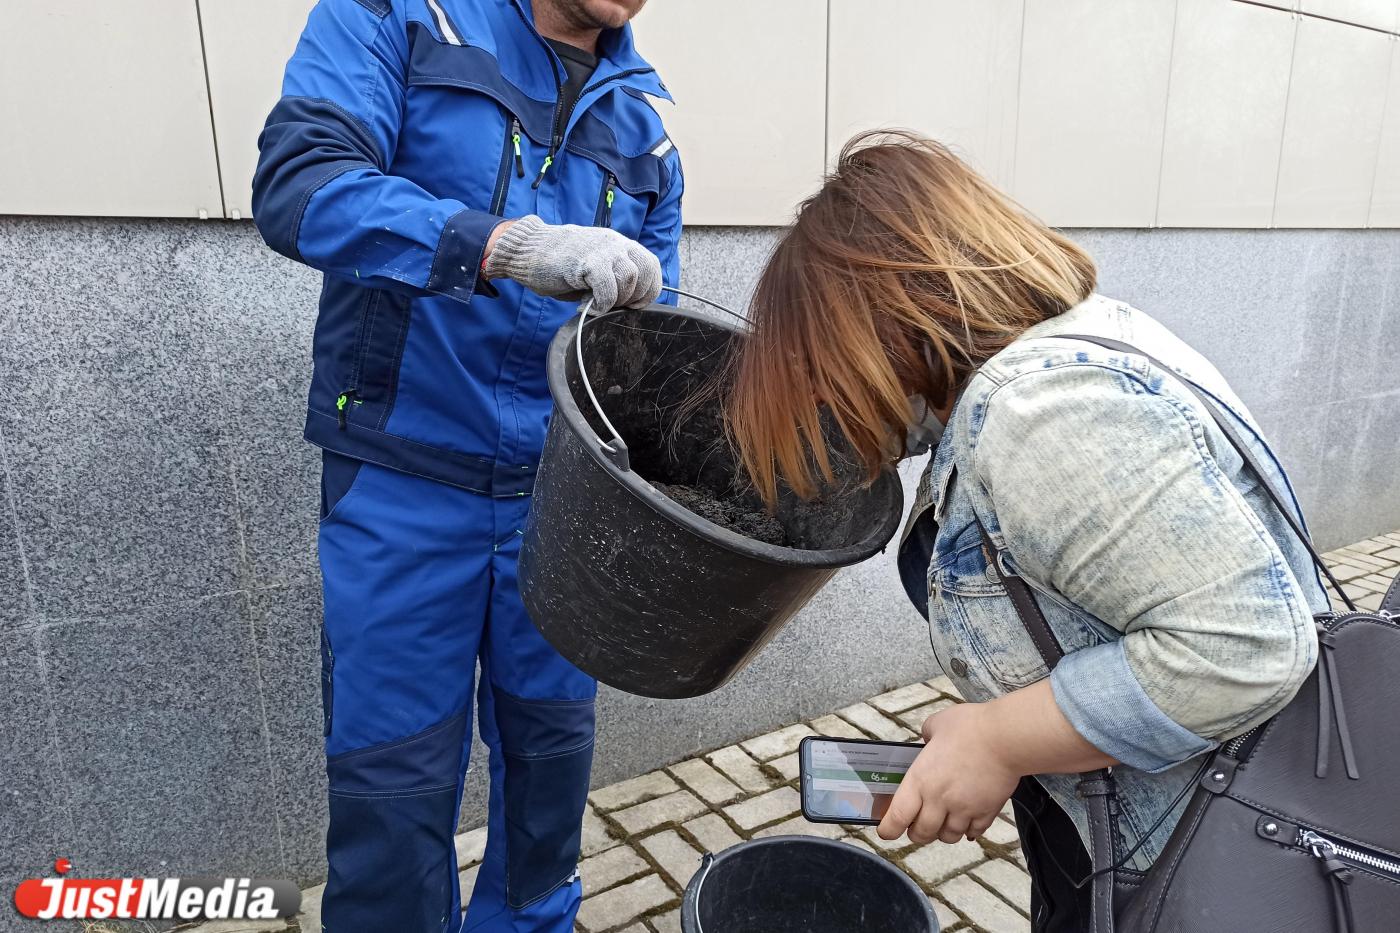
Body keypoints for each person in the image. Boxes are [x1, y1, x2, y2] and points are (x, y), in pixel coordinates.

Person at [724, 131, 1325, 931]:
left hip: (1195, 861)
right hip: (1152, 827)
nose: (830, 396)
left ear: (891, 318)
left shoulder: (1039, 412)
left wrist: (1000, 740)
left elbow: (1243, 646)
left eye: (827, 361)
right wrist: (1004, 745)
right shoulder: (1089, 341)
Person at [250, 0, 681, 929]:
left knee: (550, 779)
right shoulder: (401, 20)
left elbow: (652, 355)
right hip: (404, 484)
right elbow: (302, 183)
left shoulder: (645, 130)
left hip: (564, 509)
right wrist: (505, 248)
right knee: (392, 788)